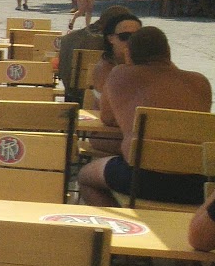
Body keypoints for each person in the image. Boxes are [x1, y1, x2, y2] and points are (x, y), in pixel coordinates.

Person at [76, 27, 212, 206]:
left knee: (85, 176)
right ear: (168, 52)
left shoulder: (120, 74)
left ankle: (122, 226)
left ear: (129, 54)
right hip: (197, 183)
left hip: (141, 179)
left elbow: (107, 118)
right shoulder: (200, 81)